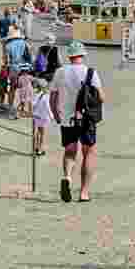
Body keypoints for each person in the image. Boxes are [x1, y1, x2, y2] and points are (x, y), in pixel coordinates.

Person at [50, 41, 104, 203]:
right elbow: (101, 97)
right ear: (83, 55)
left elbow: (53, 97)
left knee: (70, 151)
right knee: (89, 153)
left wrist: (56, 114)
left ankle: (67, 177)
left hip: (67, 118)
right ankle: (84, 193)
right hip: (86, 118)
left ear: (69, 56)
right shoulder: (90, 72)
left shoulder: (60, 72)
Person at [3, 27, 32, 118]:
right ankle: (24, 109)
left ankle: (11, 108)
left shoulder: (7, 45)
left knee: (12, 89)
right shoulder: (24, 43)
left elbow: (6, 61)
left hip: (13, 68)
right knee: (25, 89)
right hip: (24, 69)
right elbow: (29, 56)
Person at [31, 79, 53, 156]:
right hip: (43, 117)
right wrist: (51, 116)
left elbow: (33, 104)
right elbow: (47, 107)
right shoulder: (46, 95)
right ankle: (40, 149)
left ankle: (35, 148)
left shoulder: (35, 94)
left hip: (35, 116)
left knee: (36, 133)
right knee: (42, 134)